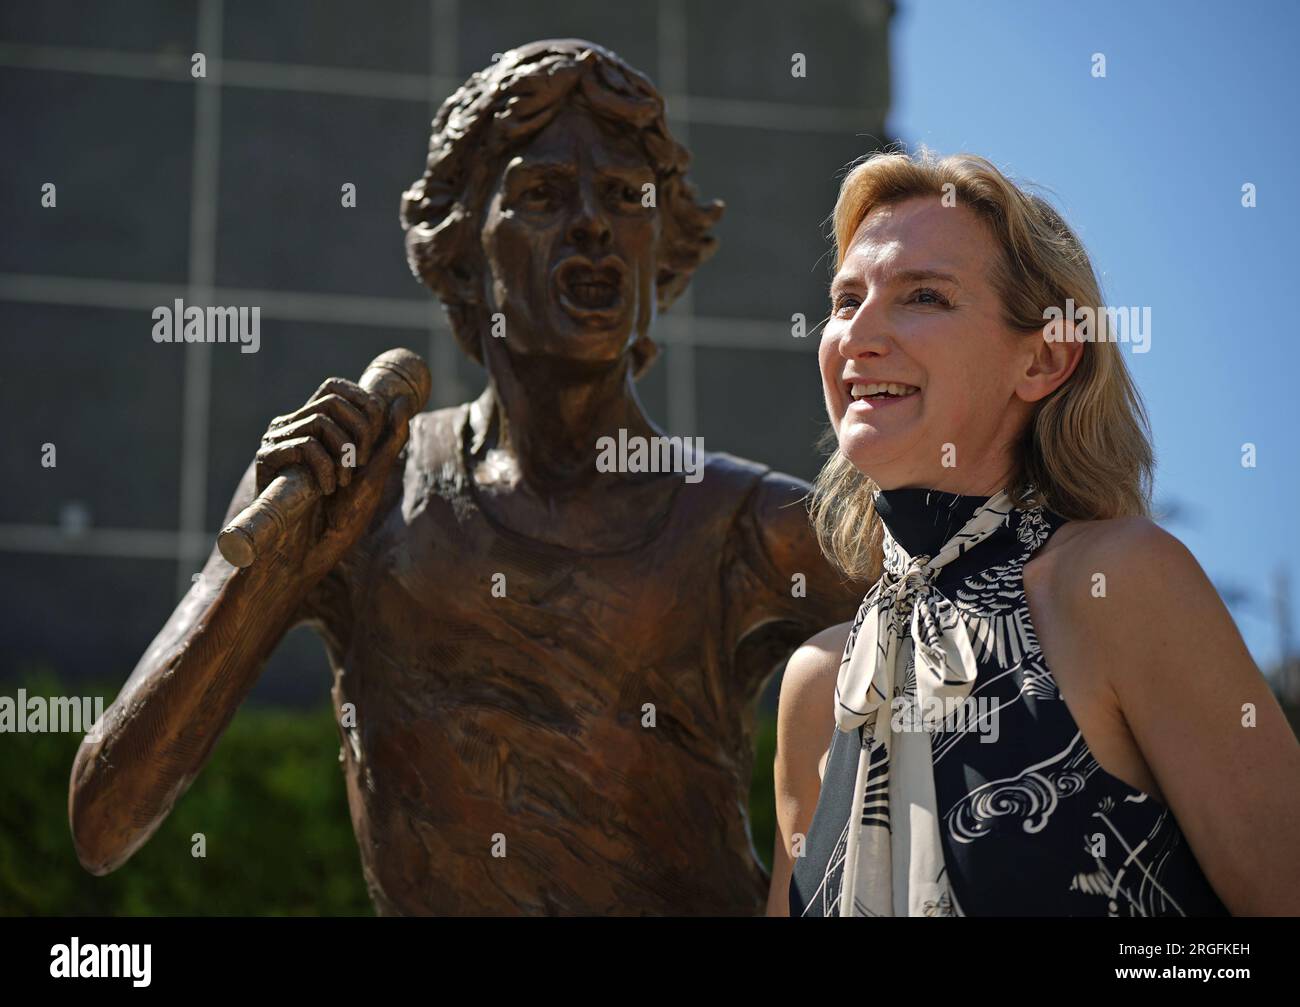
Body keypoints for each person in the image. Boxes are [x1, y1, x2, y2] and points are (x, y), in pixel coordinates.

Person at [68, 39, 864, 916]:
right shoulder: (353, 495)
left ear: (662, 250)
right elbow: (105, 819)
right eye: (542, 193)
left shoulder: (752, 525)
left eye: (625, 196)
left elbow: (989, 736)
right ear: (460, 256)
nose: (594, 222)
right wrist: (267, 576)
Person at [770, 148, 1300, 917]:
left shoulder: (1117, 583)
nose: (860, 334)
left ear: (1044, 358)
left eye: (923, 296)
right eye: (846, 299)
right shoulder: (819, 685)